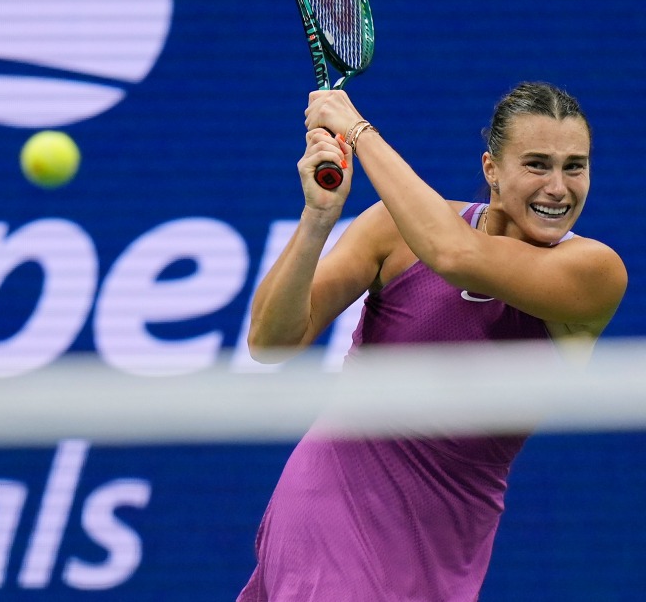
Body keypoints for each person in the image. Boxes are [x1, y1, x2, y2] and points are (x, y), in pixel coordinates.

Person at [237, 82, 627, 601]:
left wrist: (356, 129)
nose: (558, 187)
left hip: (444, 545)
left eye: (574, 166)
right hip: (328, 505)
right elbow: (270, 340)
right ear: (491, 169)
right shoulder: (391, 232)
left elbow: (455, 256)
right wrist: (318, 219)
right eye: (537, 164)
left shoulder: (594, 271)